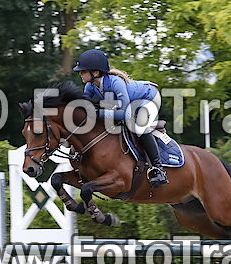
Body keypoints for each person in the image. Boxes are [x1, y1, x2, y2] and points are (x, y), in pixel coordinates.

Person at [72, 49, 169, 188]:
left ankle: (158, 169)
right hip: (129, 103)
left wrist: (99, 113)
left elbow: (126, 114)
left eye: (83, 71)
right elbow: (85, 106)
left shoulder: (116, 82)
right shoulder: (90, 86)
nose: (80, 74)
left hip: (149, 98)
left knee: (138, 126)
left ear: (95, 73)